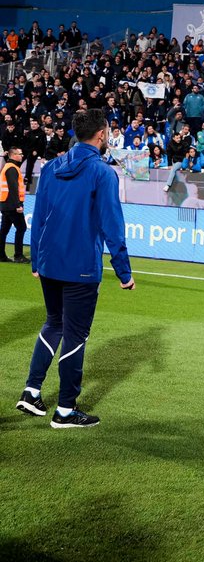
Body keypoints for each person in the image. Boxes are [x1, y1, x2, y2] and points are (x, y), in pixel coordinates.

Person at [16, 109, 135, 427]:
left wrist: (37, 260)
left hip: (50, 263)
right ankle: (65, 410)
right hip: (81, 267)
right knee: (76, 335)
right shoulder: (103, 173)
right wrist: (124, 272)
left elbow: (38, 215)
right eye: (108, 131)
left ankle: (31, 391)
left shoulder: (52, 166)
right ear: (101, 135)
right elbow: (113, 226)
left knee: (53, 323)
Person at [1, 145, 28, 263]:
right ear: (13, 155)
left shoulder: (8, 167)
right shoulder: (12, 168)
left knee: (4, 230)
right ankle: (18, 255)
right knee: (21, 228)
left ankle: (1, 255)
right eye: (20, 154)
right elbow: (13, 188)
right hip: (12, 204)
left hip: (5, 203)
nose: (22, 156)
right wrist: (18, 205)